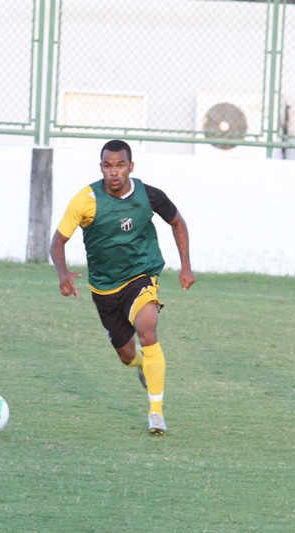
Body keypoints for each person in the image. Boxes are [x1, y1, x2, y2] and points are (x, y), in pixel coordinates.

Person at [50, 140, 196, 434]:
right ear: (101, 167)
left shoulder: (149, 195)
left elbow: (178, 223)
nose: (114, 172)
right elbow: (58, 242)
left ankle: (156, 411)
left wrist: (186, 265)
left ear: (131, 166)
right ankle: (144, 366)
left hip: (140, 277)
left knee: (148, 328)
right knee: (127, 355)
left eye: (120, 165)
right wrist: (63, 273)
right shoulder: (85, 200)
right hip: (104, 289)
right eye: (107, 165)